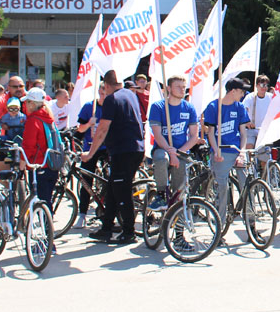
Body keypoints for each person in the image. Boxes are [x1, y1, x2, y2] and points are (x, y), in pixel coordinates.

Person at [82, 70, 143, 244]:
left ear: (107, 85)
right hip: (135, 148)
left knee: (122, 191)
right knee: (113, 189)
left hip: (123, 150)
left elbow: (102, 129)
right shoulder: (130, 95)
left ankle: (128, 232)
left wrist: (90, 153)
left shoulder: (112, 99)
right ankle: (106, 227)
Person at [203, 78, 252, 229]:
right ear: (233, 91)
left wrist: (242, 153)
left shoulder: (240, 107)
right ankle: (220, 226)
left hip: (236, 150)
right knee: (222, 188)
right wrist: (216, 151)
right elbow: (210, 133)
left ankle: (251, 225)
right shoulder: (213, 106)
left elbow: (243, 133)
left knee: (248, 186)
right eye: (242, 91)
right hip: (221, 150)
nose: (243, 94)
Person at [149, 74, 201, 205]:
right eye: (178, 87)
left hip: (181, 151)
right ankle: (160, 194)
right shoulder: (158, 107)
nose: (182, 90)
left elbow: (194, 136)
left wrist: (177, 153)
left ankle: (178, 219)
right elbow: (158, 134)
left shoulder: (189, 108)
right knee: (162, 159)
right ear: (169, 88)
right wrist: (170, 152)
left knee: (179, 191)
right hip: (163, 148)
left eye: (184, 87)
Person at [75, 85, 109, 226]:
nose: (102, 97)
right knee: (86, 179)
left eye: (105, 94)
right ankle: (82, 214)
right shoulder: (90, 107)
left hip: (107, 147)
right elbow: (80, 129)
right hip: (90, 147)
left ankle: (106, 209)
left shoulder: (111, 107)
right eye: (101, 93)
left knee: (109, 177)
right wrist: (89, 123)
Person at [19, 88, 59, 205]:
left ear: (32, 103)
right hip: (52, 166)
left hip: (38, 166)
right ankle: (48, 223)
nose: (25, 105)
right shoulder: (48, 118)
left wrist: (22, 165)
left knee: (40, 204)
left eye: (27, 102)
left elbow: (28, 146)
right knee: (46, 203)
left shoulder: (33, 121)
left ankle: (46, 222)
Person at [245, 74, 275, 170]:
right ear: (257, 86)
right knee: (249, 148)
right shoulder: (250, 97)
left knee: (265, 156)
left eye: (266, 85)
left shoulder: (270, 97)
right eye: (262, 85)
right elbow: (244, 111)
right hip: (252, 129)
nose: (264, 88)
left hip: (264, 130)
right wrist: (247, 122)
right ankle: (249, 170)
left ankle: (264, 177)